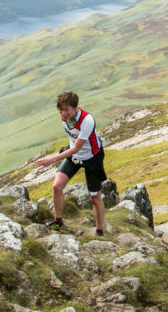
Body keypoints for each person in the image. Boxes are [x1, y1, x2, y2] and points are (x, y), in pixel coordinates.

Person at [35, 91, 107, 235]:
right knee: (57, 186)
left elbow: (76, 148)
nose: (63, 113)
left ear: (75, 107)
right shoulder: (64, 117)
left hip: (92, 158)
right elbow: (72, 142)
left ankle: (99, 231)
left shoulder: (87, 120)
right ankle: (58, 222)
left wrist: (52, 159)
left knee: (94, 198)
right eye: (60, 109)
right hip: (74, 155)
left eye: (66, 109)